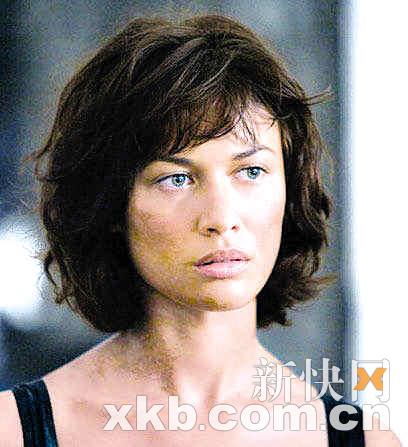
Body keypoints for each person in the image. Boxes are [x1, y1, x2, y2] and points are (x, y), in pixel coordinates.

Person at [0, 14, 401, 446]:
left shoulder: (365, 440)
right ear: (111, 205)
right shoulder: (14, 431)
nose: (221, 217)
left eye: (251, 171)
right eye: (177, 179)